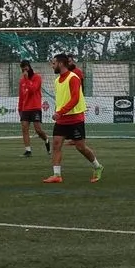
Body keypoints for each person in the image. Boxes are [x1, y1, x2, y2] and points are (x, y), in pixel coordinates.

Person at [43, 53, 103, 184]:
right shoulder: (57, 81)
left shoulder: (73, 78)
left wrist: (60, 112)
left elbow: (75, 99)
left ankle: (98, 166)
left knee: (80, 147)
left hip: (75, 119)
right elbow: (62, 99)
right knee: (56, 145)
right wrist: (58, 113)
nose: (52, 66)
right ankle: (57, 175)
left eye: (53, 63)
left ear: (60, 63)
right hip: (61, 120)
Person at [18, 60, 50, 157]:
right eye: (23, 69)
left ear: (29, 67)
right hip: (25, 108)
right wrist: (19, 108)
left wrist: (27, 79)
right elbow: (21, 96)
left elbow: (32, 90)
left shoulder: (37, 78)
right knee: (24, 128)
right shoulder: (21, 81)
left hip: (35, 107)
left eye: (26, 68)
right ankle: (28, 150)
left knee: (38, 130)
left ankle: (46, 139)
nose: (25, 70)